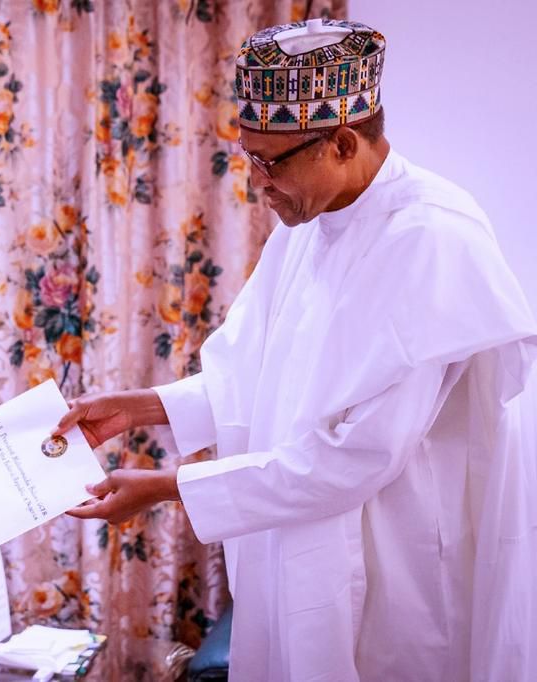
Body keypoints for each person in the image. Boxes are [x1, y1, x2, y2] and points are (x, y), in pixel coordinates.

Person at [55, 19, 537, 682]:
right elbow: (251, 379)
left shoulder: (433, 239)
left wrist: (168, 488)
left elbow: (356, 458)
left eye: (270, 161)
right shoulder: (308, 224)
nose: (257, 182)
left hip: (396, 568)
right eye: (247, 156)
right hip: (294, 546)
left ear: (340, 142)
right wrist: (133, 409)